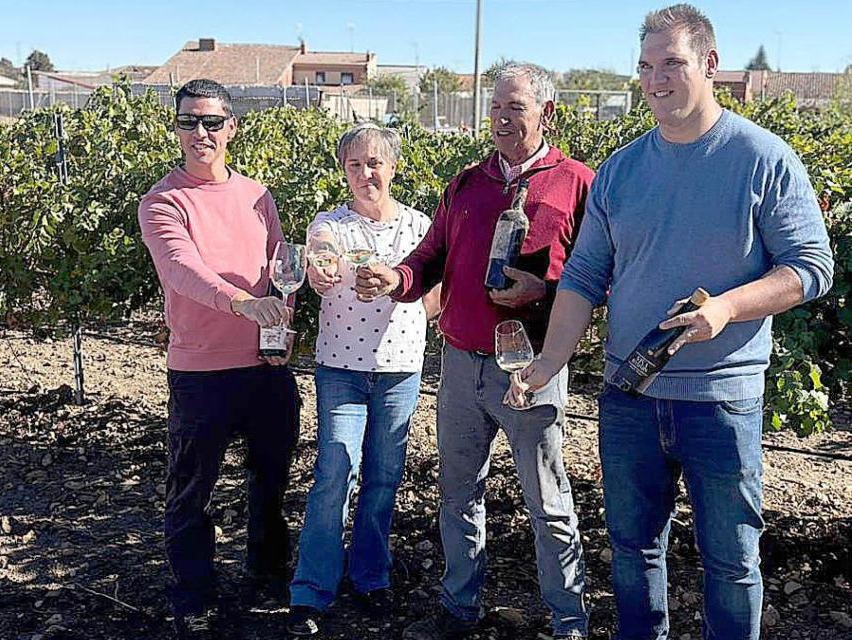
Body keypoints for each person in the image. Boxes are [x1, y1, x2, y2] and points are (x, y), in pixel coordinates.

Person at [506, 5, 834, 640]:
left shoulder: (762, 159)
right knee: (632, 553)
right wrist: (548, 362)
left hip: (720, 399)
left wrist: (727, 307)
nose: (656, 79)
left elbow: (812, 266)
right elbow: (581, 277)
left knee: (732, 563)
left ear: (709, 65)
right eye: (646, 67)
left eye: (672, 64)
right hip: (629, 394)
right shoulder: (622, 171)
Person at [355, 64, 594, 640]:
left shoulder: (577, 182)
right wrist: (400, 278)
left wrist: (545, 291)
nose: (502, 119)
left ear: (547, 113)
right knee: (458, 495)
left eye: (515, 107)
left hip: (530, 366)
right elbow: (431, 254)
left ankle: (569, 621)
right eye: (495, 107)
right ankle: (458, 608)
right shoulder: (467, 182)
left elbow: (599, 275)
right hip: (460, 365)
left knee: (549, 501)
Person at [138, 79, 300, 640]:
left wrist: (280, 323)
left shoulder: (258, 197)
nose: (199, 133)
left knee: (272, 481)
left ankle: (265, 572)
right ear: (176, 128)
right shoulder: (163, 201)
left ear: (231, 127)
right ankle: (193, 596)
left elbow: (282, 269)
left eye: (210, 122)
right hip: (201, 372)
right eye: (188, 122)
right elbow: (181, 270)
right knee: (191, 491)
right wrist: (243, 304)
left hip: (265, 369)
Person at [286, 123, 441, 637]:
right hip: (342, 370)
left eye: (375, 162)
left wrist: (412, 298)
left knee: (382, 477)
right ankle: (312, 588)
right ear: (343, 171)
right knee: (335, 468)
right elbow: (322, 255)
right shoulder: (330, 223)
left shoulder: (420, 227)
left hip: (400, 370)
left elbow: (434, 293)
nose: (366, 173)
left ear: (393, 167)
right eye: (355, 164)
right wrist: (321, 268)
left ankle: (371, 577)